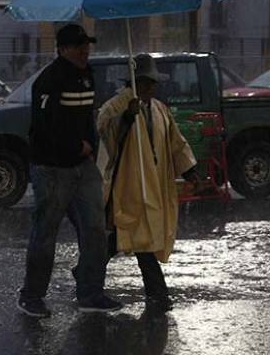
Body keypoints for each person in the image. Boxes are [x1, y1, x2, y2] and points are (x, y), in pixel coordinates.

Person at [17, 23, 122, 318]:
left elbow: (88, 116)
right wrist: (76, 146)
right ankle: (32, 296)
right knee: (45, 234)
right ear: (62, 49)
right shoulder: (48, 81)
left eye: (87, 44)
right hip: (51, 169)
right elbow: (44, 126)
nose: (85, 50)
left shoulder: (87, 76)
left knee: (95, 230)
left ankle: (90, 292)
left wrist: (89, 143)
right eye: (79, 46)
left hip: (83, 167)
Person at [96, 53, 200, 312]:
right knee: (137, 236)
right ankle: (158, 293)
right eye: (148, 83)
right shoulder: (115, 107)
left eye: (154, 83)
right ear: (135, 82)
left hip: (152, 184)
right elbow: (105, 137)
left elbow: (175, 142)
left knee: (131, 235)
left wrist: (190, 170)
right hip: (128, 186)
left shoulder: (159, 109)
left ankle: (87, 271)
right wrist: (125, 119)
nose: (152, 88)